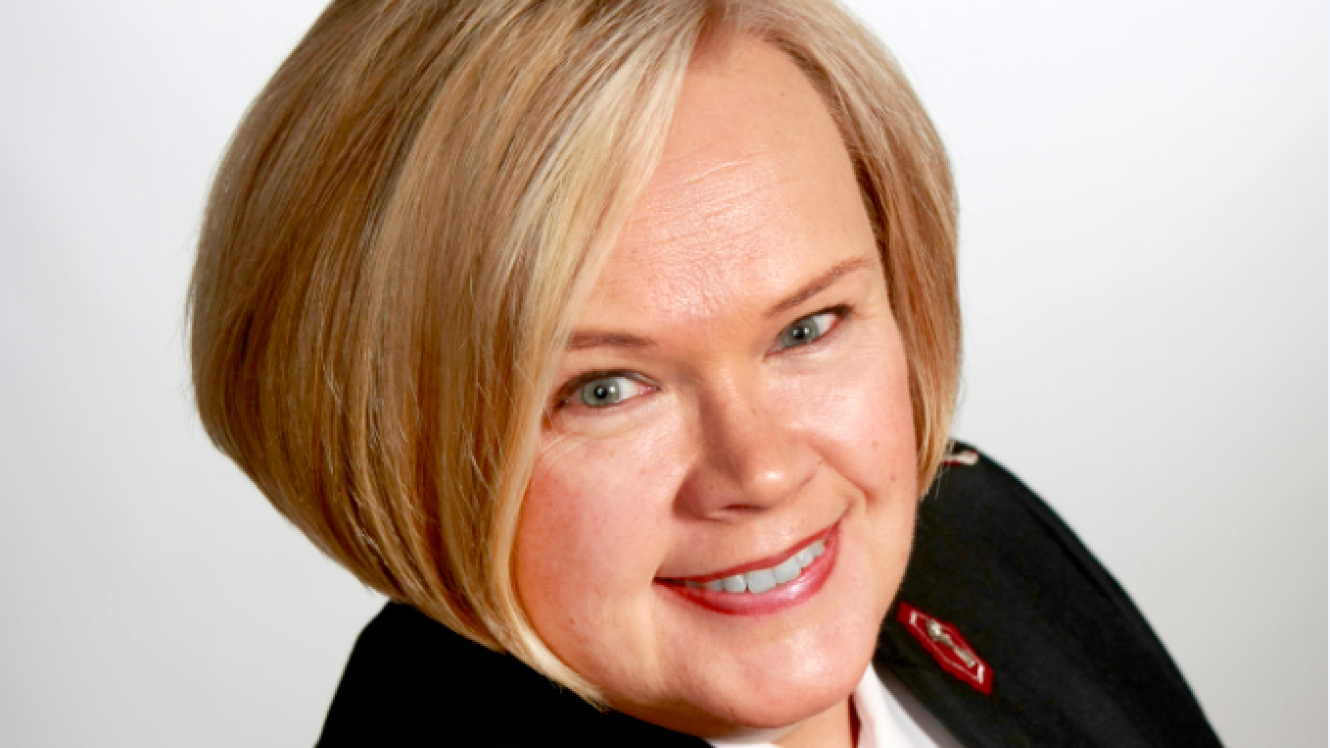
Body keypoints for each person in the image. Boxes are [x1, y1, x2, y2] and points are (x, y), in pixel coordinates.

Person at [187, 0, 1223, 745]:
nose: (761, 472)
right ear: (388, 449)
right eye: (605, 389)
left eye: (808, 327)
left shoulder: (975, 537)